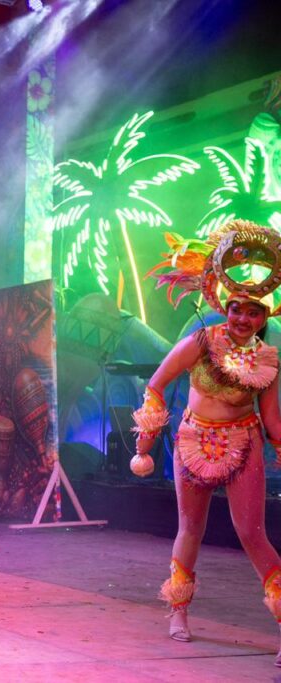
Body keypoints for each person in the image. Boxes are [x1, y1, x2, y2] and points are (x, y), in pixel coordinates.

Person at [135, 220, 281, 662]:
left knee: (251, 532)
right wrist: (145, 441)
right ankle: (178, 612)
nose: (243, 319)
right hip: (193, 442)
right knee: (190, 529)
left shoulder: (268, 359)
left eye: (252, 312)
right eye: (237, 309)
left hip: (244, 443)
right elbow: (157, 384)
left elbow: (271, 418)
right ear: (225, 306)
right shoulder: (200, 341)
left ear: (264, 317)